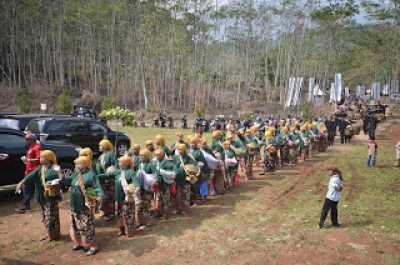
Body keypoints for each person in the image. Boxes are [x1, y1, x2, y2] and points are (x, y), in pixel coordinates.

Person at [59, 156, 105, 255]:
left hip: (84, 206)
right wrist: (59, 173)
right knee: (76, 225)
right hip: (74, 205)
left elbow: (97, 186)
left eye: (80, 164)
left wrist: (100, 196)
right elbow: (67, 181)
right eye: (76, 164)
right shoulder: (76, 173)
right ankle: (80, 242)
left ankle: (93, 246)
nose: (77, 166)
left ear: (85, 164)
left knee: (87, 225)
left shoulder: (90, 174)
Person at [15, 150, 61, 242]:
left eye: (42, 157)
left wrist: (58, 175)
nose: (40, 159)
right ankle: (49, 234)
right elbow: (30, 176)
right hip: (41, 197)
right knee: (44, 216)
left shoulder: (54, 168)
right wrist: (21, 183)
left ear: (48, 159)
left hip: (50, 197)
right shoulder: (40, 168)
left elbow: (60, 180)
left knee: (51, 217)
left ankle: (53, 235)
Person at [97, 156, 140, 237]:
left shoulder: (131, 172)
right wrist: (95, 176)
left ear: (126, 164)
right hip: (118, 198)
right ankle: (122, 229)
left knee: (128, 214)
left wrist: (137, 188)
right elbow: (107, 176)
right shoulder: (117, 172)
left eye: (121, 162)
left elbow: (135, 181)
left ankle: (130, 231)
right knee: (119, 214)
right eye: (119, 162)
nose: (119, 164)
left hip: (127, 198)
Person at [15, 133, 42, 213]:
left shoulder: (37, 147)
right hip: (29, 170)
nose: (26, 141)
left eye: (28, 139)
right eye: (26, 139)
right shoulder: (30, 147)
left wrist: (29, 160)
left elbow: (40, 159)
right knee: (27, 188)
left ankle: (40, 203)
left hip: (34, 171)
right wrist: (26, 161)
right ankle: (26, 205)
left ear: (33, 140)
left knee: (37, 187)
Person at [97, 139, 118, 221]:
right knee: (104, 196)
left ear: (105, 146)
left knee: (110, 196)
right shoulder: (100, 156)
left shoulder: (111, 155)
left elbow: (116, 166)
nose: (99, 147)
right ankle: (105, 212)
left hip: (110, 180)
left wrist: (112, 172)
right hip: (103, 179)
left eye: (101, 145)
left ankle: (111, 213)